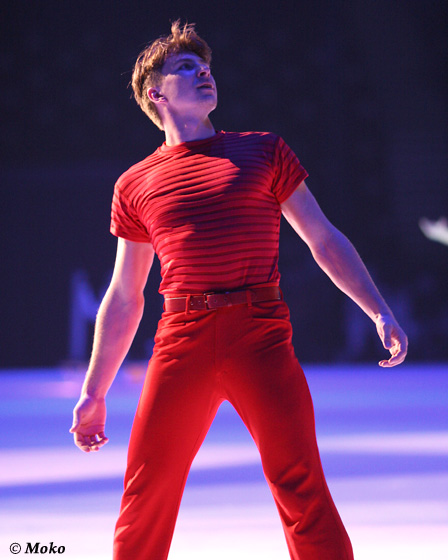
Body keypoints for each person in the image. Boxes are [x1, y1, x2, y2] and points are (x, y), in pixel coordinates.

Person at [70, 21, 408, 560]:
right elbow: (125, 295)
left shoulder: (264, 151)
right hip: (182, 341)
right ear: (155, 94)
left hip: (260, 336)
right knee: (147, 490)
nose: (203, 71)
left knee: (301, 484)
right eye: (185, 67)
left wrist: (378, 310)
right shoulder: (134, 183)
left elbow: (323, 238)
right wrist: (94, 391)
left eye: (205, 65)